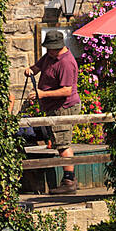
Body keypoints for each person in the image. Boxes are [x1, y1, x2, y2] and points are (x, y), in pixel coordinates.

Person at [26, 29, 81, 194]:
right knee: (59, 143)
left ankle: (69, 181)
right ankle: (68, 179)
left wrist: (42, 94)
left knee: (63, 144)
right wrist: (31, 70)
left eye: (51, 48)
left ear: (59, 47)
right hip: (53, 107)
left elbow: (66, 91)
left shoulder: (66, 63)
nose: (49, 51)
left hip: (64, 107)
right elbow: (38, 67)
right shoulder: (50, 56)